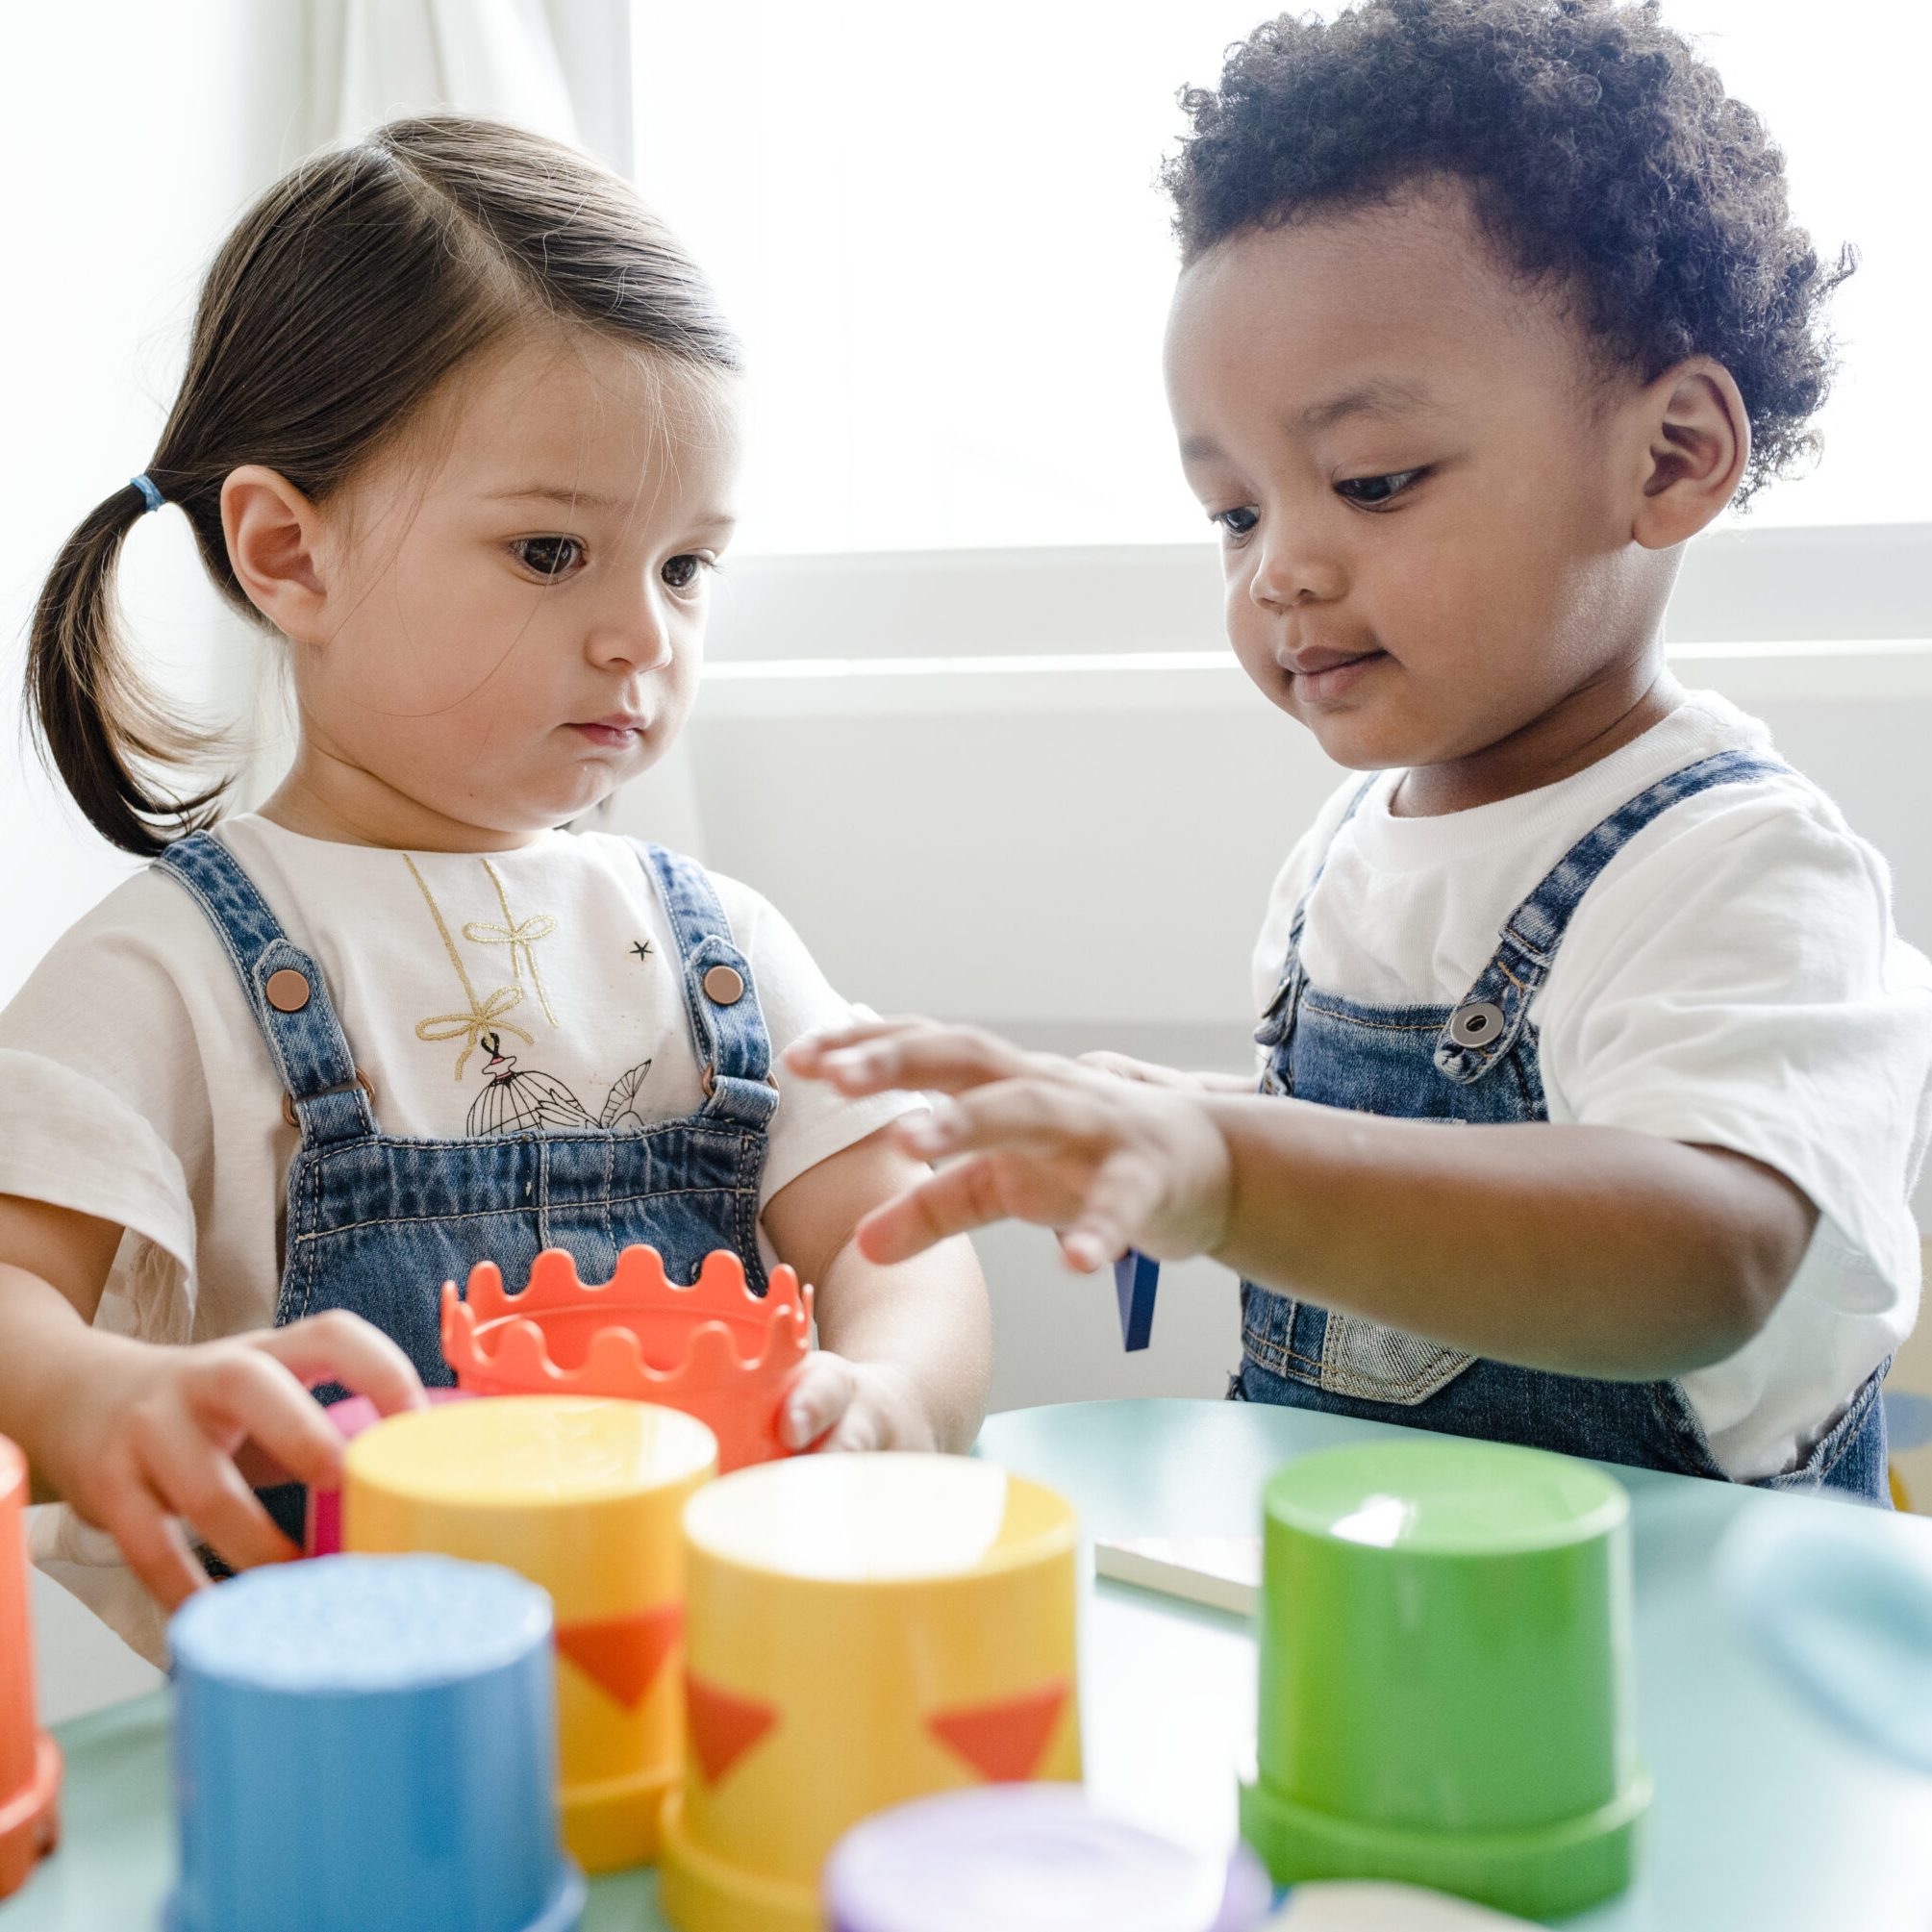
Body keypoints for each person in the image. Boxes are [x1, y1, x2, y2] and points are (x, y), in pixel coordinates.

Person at [790, 0, 1931, 1502]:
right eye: (1234, 511)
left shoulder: (1737, 869)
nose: (1280, 570)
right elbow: (1395, 1175)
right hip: (1380, 1640)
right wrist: (1190, 1129)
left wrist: (1231, 1166)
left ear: (1668, 457)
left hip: (1673, 1666)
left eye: (1371, 480)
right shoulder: (1345, 852)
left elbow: (1705, 1249)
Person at [2, 115, 990, 1662]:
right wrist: (91, 1393)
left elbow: (897, 1238)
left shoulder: (721, 946)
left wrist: (893, 1395)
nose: (642, 637)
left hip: (711, 1706)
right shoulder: (171, 966)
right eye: (550, 552)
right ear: (287, 553)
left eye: (685, 566)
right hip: (349, 1759)